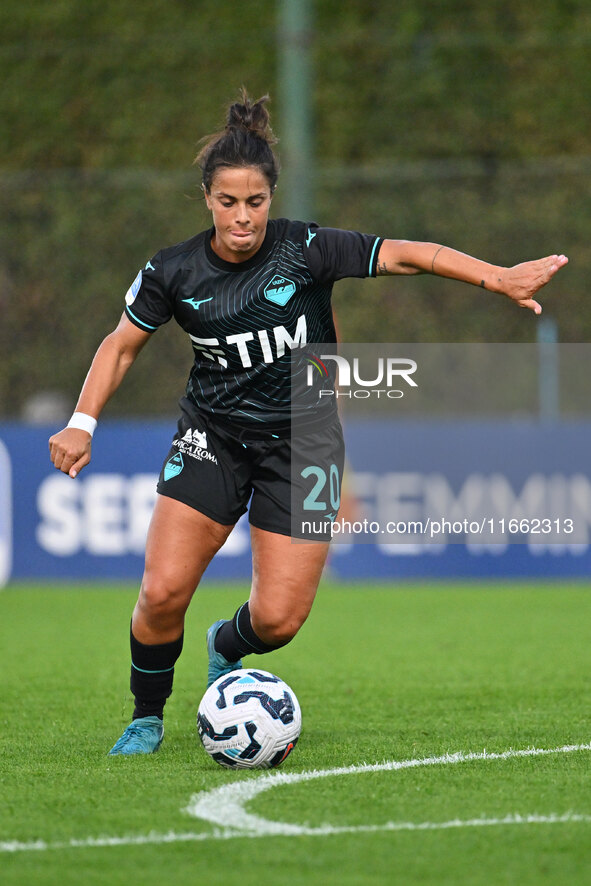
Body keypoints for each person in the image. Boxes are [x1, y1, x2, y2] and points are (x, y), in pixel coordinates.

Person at [48, 90, 568, 756]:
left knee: (279, 618)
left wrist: (495, 278)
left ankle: (224, 644)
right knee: (161, 590)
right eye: (228, 202)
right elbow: (120, 344)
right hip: (211, 438)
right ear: (207, 198)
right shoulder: (173, 271)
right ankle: (146, 715)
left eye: (255, 202)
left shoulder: (308, 249)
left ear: (271, 197)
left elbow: (407, 253)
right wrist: (82, 421)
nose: (242, 217)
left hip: (309, 444)